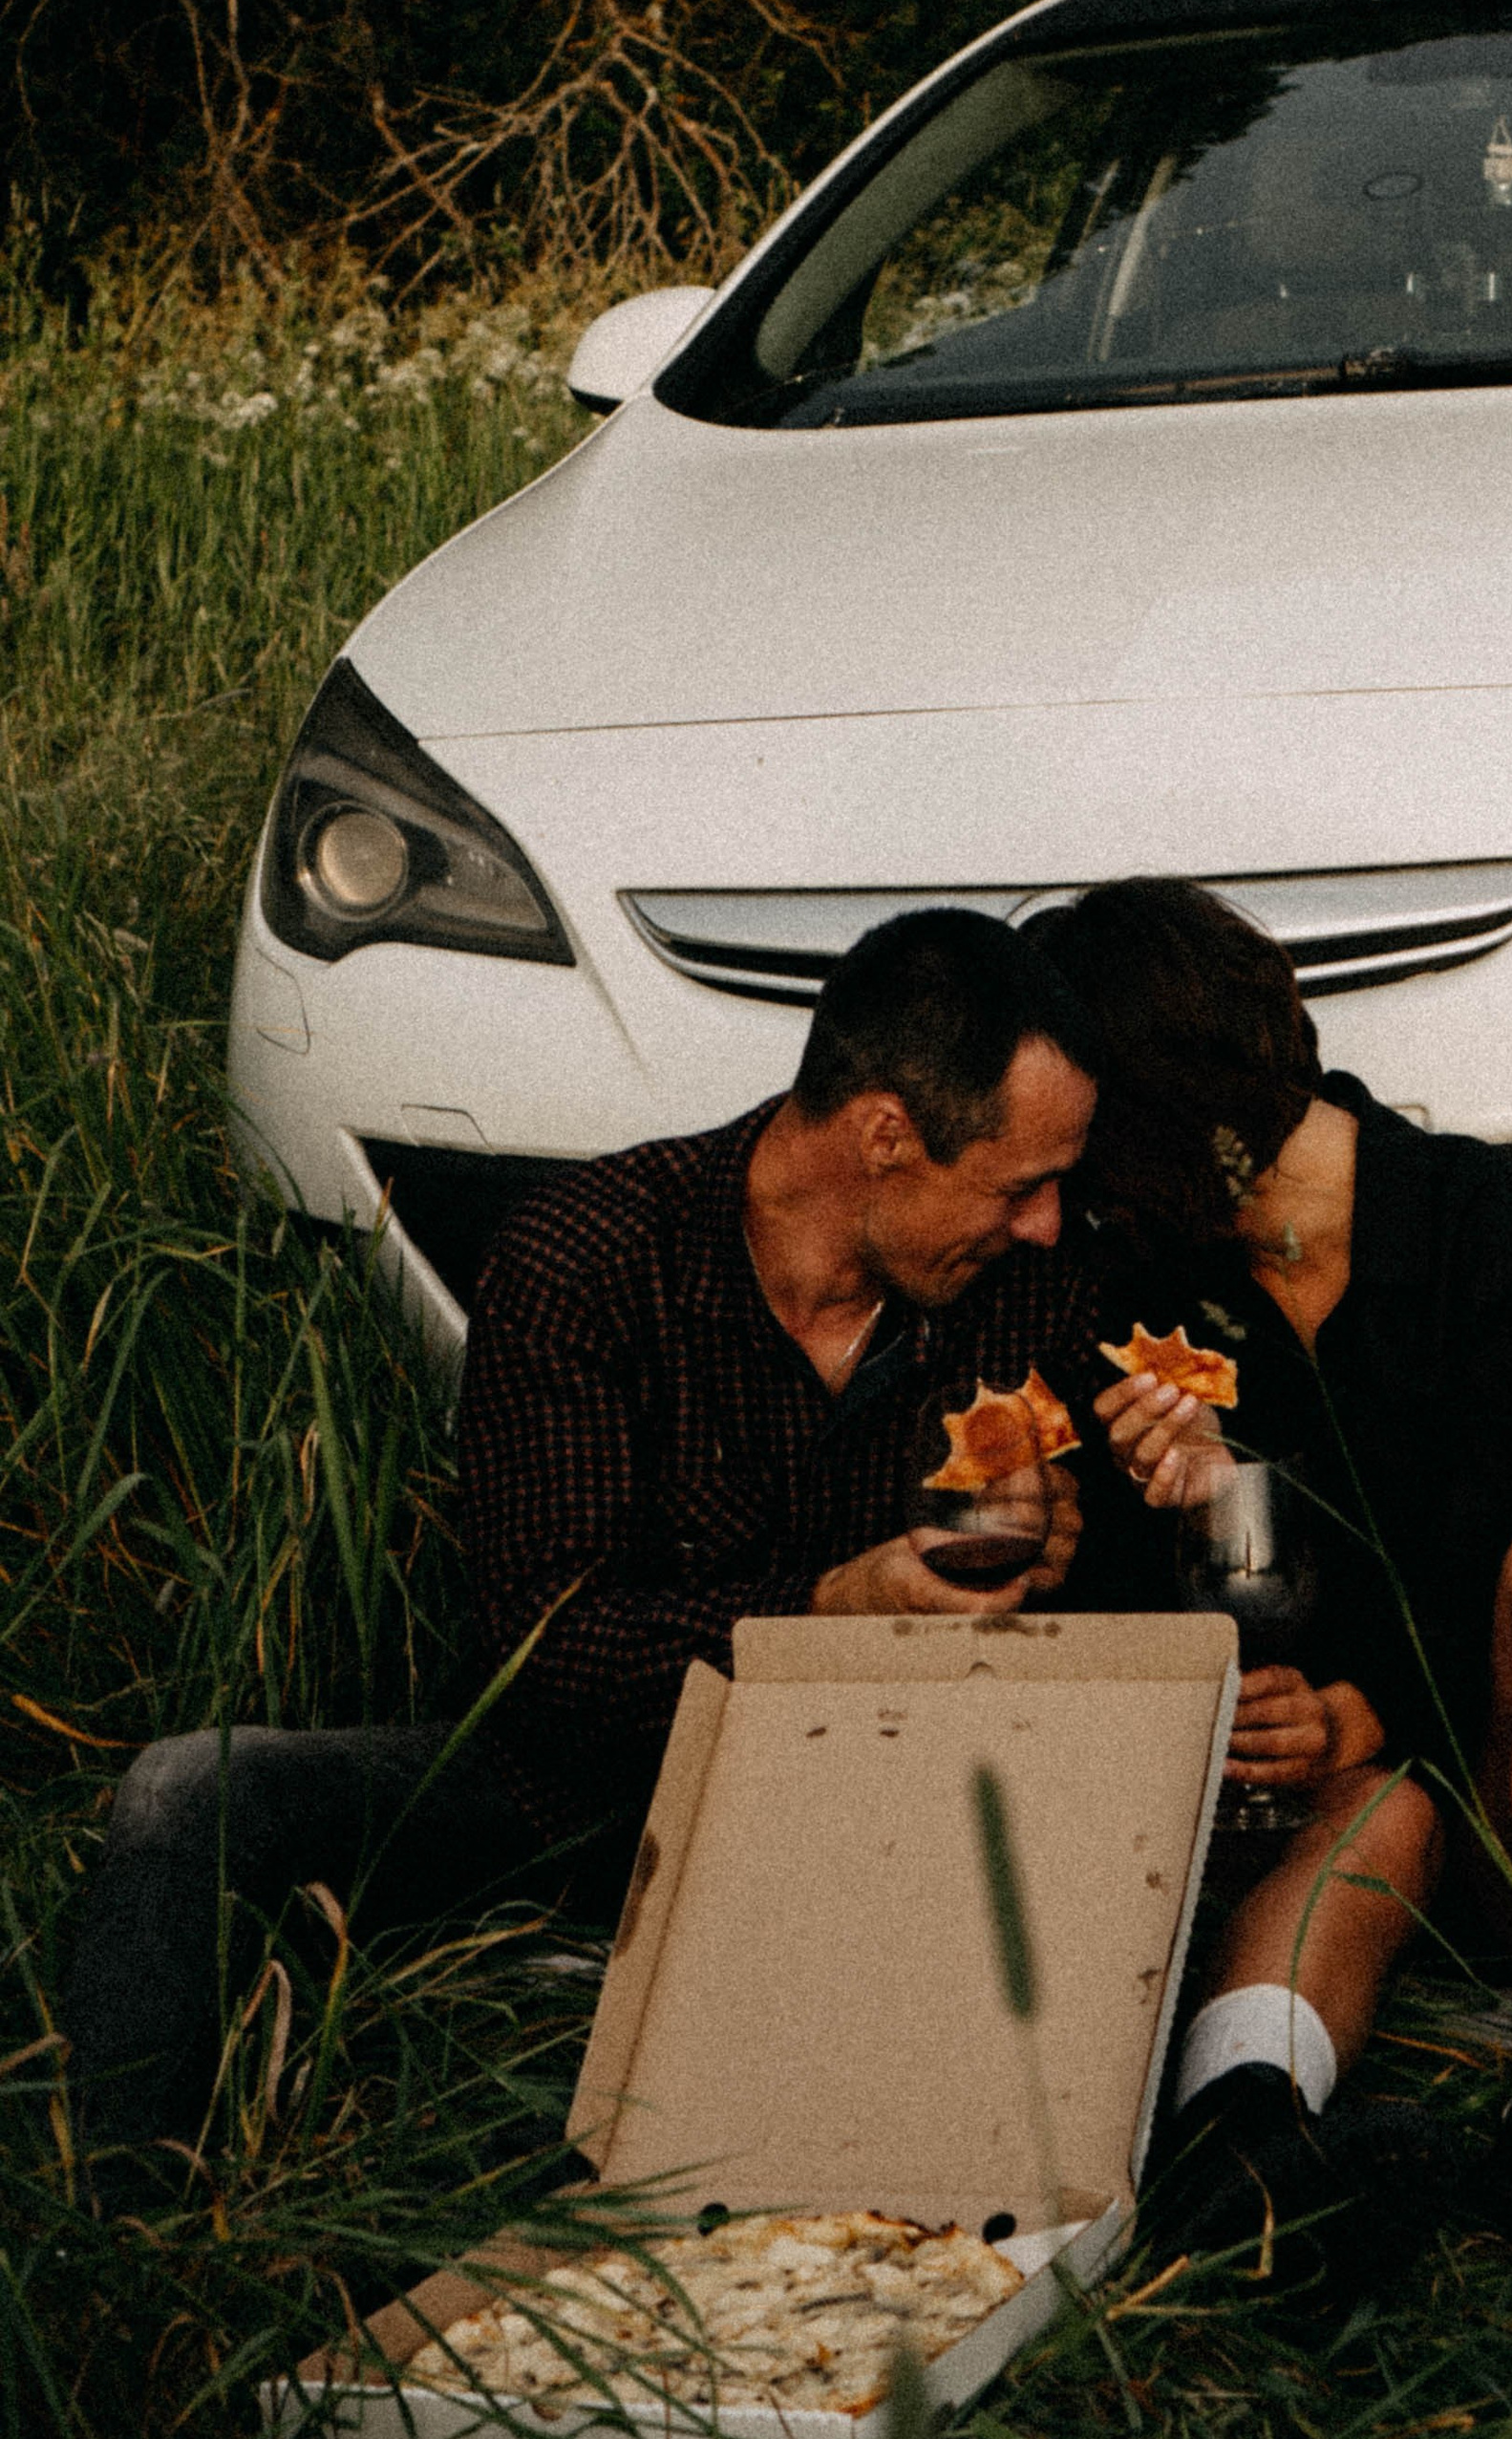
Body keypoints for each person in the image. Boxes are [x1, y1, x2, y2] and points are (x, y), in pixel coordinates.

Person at [65, 910, 1106, 2163]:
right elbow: (552, 1648)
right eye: (1017, 1184)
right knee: (193, 1790)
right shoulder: (592, 1255)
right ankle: (132, 2237)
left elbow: (1036, 1595)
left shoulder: (1022, 1286)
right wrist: (824, 1608)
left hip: (861, 1805)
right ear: (885, 1133)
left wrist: (1047, 1554)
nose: (1046, 1222)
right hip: (566, 1786)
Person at [1026, 876, 1512, 2262]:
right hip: (1348, 1820)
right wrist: (1218, 1507)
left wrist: (1368, 1700)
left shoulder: (1507, 1235)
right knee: (1371, 1808)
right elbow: (1234, 1644)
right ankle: (1243, 2149)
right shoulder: (1142, 1317)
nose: (1060, 1198)